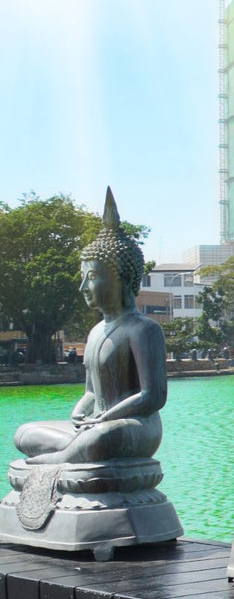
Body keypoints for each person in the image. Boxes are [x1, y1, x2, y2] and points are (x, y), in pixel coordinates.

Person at [12, 190, 167, 466]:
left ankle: (65, 456)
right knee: (25, 433)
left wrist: (105, 418)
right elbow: (92, 393)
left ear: (124, 277)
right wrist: (80, 412)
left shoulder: (143, 329)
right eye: (83, 278)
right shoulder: (95, 332)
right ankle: (76, 449)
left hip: (135, 427)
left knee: (103, 438)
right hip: (96, 423)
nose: (83, 287)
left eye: (93, 277)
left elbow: (152, 396)